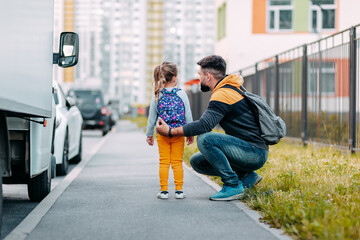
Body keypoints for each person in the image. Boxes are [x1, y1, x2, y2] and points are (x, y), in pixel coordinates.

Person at [156, 55, 268, 201]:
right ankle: (246, 176)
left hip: (254, 152)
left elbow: (204, 125)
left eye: (200, 75)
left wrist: (170, 132)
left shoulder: (223, 94)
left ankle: (233, 185)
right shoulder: (229, 87)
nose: (199, 79)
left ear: (208, 76)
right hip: (250, 149)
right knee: (197, 162)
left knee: (205, 139)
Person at [146, 62, 194, 200]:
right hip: (178, 133)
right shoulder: (182, 94)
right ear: (174, 77)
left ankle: (164, 191)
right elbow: (188, 115)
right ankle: (179, 191)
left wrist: (149, 135)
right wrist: (189, 133)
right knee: (177, 162)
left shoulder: (157, 95)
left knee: (164, 162)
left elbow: (151, 119)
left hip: (162, 135)